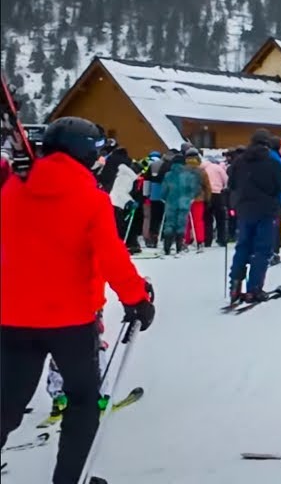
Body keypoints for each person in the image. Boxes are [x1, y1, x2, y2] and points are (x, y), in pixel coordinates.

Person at [0, 116, 156, 484]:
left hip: (12, 317)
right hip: (71, 321)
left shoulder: (9, 189)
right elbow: (111, 257)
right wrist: (137, 298)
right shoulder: (90, 198)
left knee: (6, 403)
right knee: (83, 400)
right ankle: (70, 478)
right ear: (83, 153)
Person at [227, 129, 281, 302]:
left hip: (244, 209)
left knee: (242, 246)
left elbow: (231, 183)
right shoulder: (272, 162)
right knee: (261, 250)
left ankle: (235, 285)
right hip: (267, 211)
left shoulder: (239, 161)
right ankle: (254, 288)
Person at [158, 147, 202, 255]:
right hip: (184, 202)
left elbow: (163, 190)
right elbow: (195, 189)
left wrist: (164, 198)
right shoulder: (189, 176)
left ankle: (167, 247)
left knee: (169, 224)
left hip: (171, 202)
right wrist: (190, 197)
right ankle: (179, 247)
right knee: (181, 224)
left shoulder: (168, 175)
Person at [202, 153, 230, 247]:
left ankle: (207, 240)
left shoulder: (202, 168)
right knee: (220, 218)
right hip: (218, 194)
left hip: (206, 195)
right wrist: (223, 187)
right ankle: (222, 239)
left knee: (207, 219)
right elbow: (226, 180)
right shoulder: (218, 168)